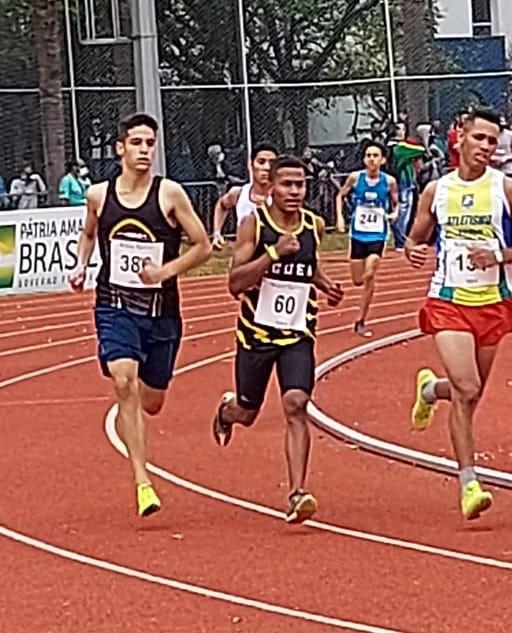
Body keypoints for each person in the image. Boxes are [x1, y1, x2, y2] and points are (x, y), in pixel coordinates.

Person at [404, 108, 512, 520]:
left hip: (492, 301)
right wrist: (412, 249)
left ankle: (430, 391)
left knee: (473, 388)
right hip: (448, 300)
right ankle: (469, 483)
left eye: (493, 141)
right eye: (480, 138)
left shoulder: (508, 189)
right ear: (460, 139)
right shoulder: (437, 191)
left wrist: (499, 255)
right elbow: (416, 237)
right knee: (467, 390)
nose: (487, 147)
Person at [69, 112, 211, 517]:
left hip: (161, 313)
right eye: (137, 143)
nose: (145, 150)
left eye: (150, 143)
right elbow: (89, 231)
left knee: (152, 401)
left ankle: (147, 392)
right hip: (114, 306)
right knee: (124, 382)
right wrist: (81, 264)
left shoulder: (170, 195)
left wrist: (164, 272)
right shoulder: (99, 195)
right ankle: (142, 482)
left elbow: (201, 245)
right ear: (120, 148)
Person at [211, 155, 344, 524]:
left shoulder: (314, 226)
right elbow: (234, 283)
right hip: (256, 335)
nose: (295, 192)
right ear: (270, 187)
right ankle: (227, 411)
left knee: (296, 403)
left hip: (298, 332)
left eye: (300, 185)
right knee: (248, 413)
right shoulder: (254, 226)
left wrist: (326, 285)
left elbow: (308, 264)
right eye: (287, 185)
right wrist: (271, 254)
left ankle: (297, 493)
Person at [335, 141, 398, 337]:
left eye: (375, 155)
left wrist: (394, 213)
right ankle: (366, 284)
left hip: (378, 233)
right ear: (364, 159)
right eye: (368, 155)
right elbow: (340, 196)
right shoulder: (355, 178)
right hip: (358, 233)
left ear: (382, 160)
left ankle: (360, 320)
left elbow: (396, 203)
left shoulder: (389, 182)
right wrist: (340, 218)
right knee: (357, 280)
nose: (371, 159)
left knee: (370, 272)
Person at [211, 143, 278, 250]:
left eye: (272, 163)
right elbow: (222, 205)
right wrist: (217, 232)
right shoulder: (239, 193)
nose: (267, 167)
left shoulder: (283, 198)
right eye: (261, 162)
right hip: (244, 258)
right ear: (250, 165)